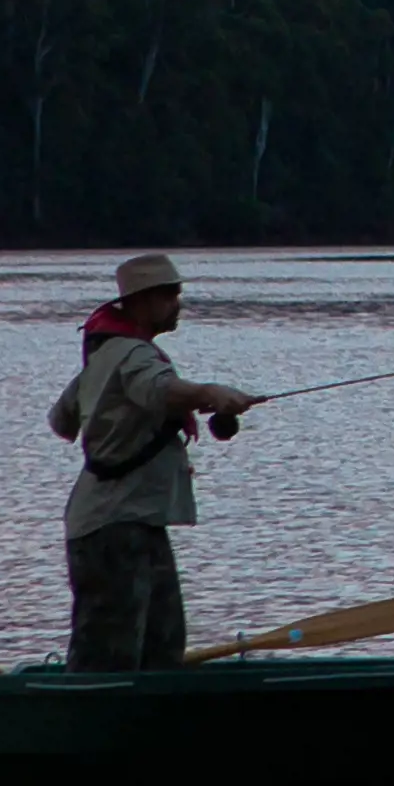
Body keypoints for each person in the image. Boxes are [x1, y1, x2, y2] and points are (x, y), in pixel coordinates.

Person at [52, 251, 264, 669]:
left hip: (136, 521)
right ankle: (88, 723)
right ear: (140, 302)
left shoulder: (104, 355)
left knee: (163, 647)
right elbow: (160, 390)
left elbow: (62, 420)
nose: (177, 303)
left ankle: (143, 723)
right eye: (168, 295)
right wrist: (210, 394)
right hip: (113, 526)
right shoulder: (132, 357)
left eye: (177, 294)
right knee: (109, 656)